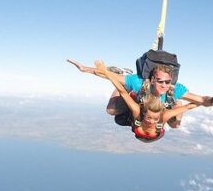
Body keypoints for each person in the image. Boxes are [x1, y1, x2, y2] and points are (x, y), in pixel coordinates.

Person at [67, 58, 213, 128]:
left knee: (175, 124)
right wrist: (85, 69)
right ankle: (125, 76)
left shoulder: (175, 89)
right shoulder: (138, 82)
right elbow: (108, 75)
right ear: (151, 80)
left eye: (167, 82)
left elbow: (202, 99)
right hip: (136, 98)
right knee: (112, 110)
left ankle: (176, 103)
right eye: (160, 81)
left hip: (159, 108)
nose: (165, 85)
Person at [72, 60, 204, 142]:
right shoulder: (141, 89)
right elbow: (191, 105)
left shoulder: (139, 116)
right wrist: (96, 71)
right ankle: (175, 102)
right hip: (148, 103)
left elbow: (194, 104)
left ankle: (175, 102)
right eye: (151, 120)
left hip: (147, 110)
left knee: (113, 112)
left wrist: (212, 100)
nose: (150, 122)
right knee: (175, 125)